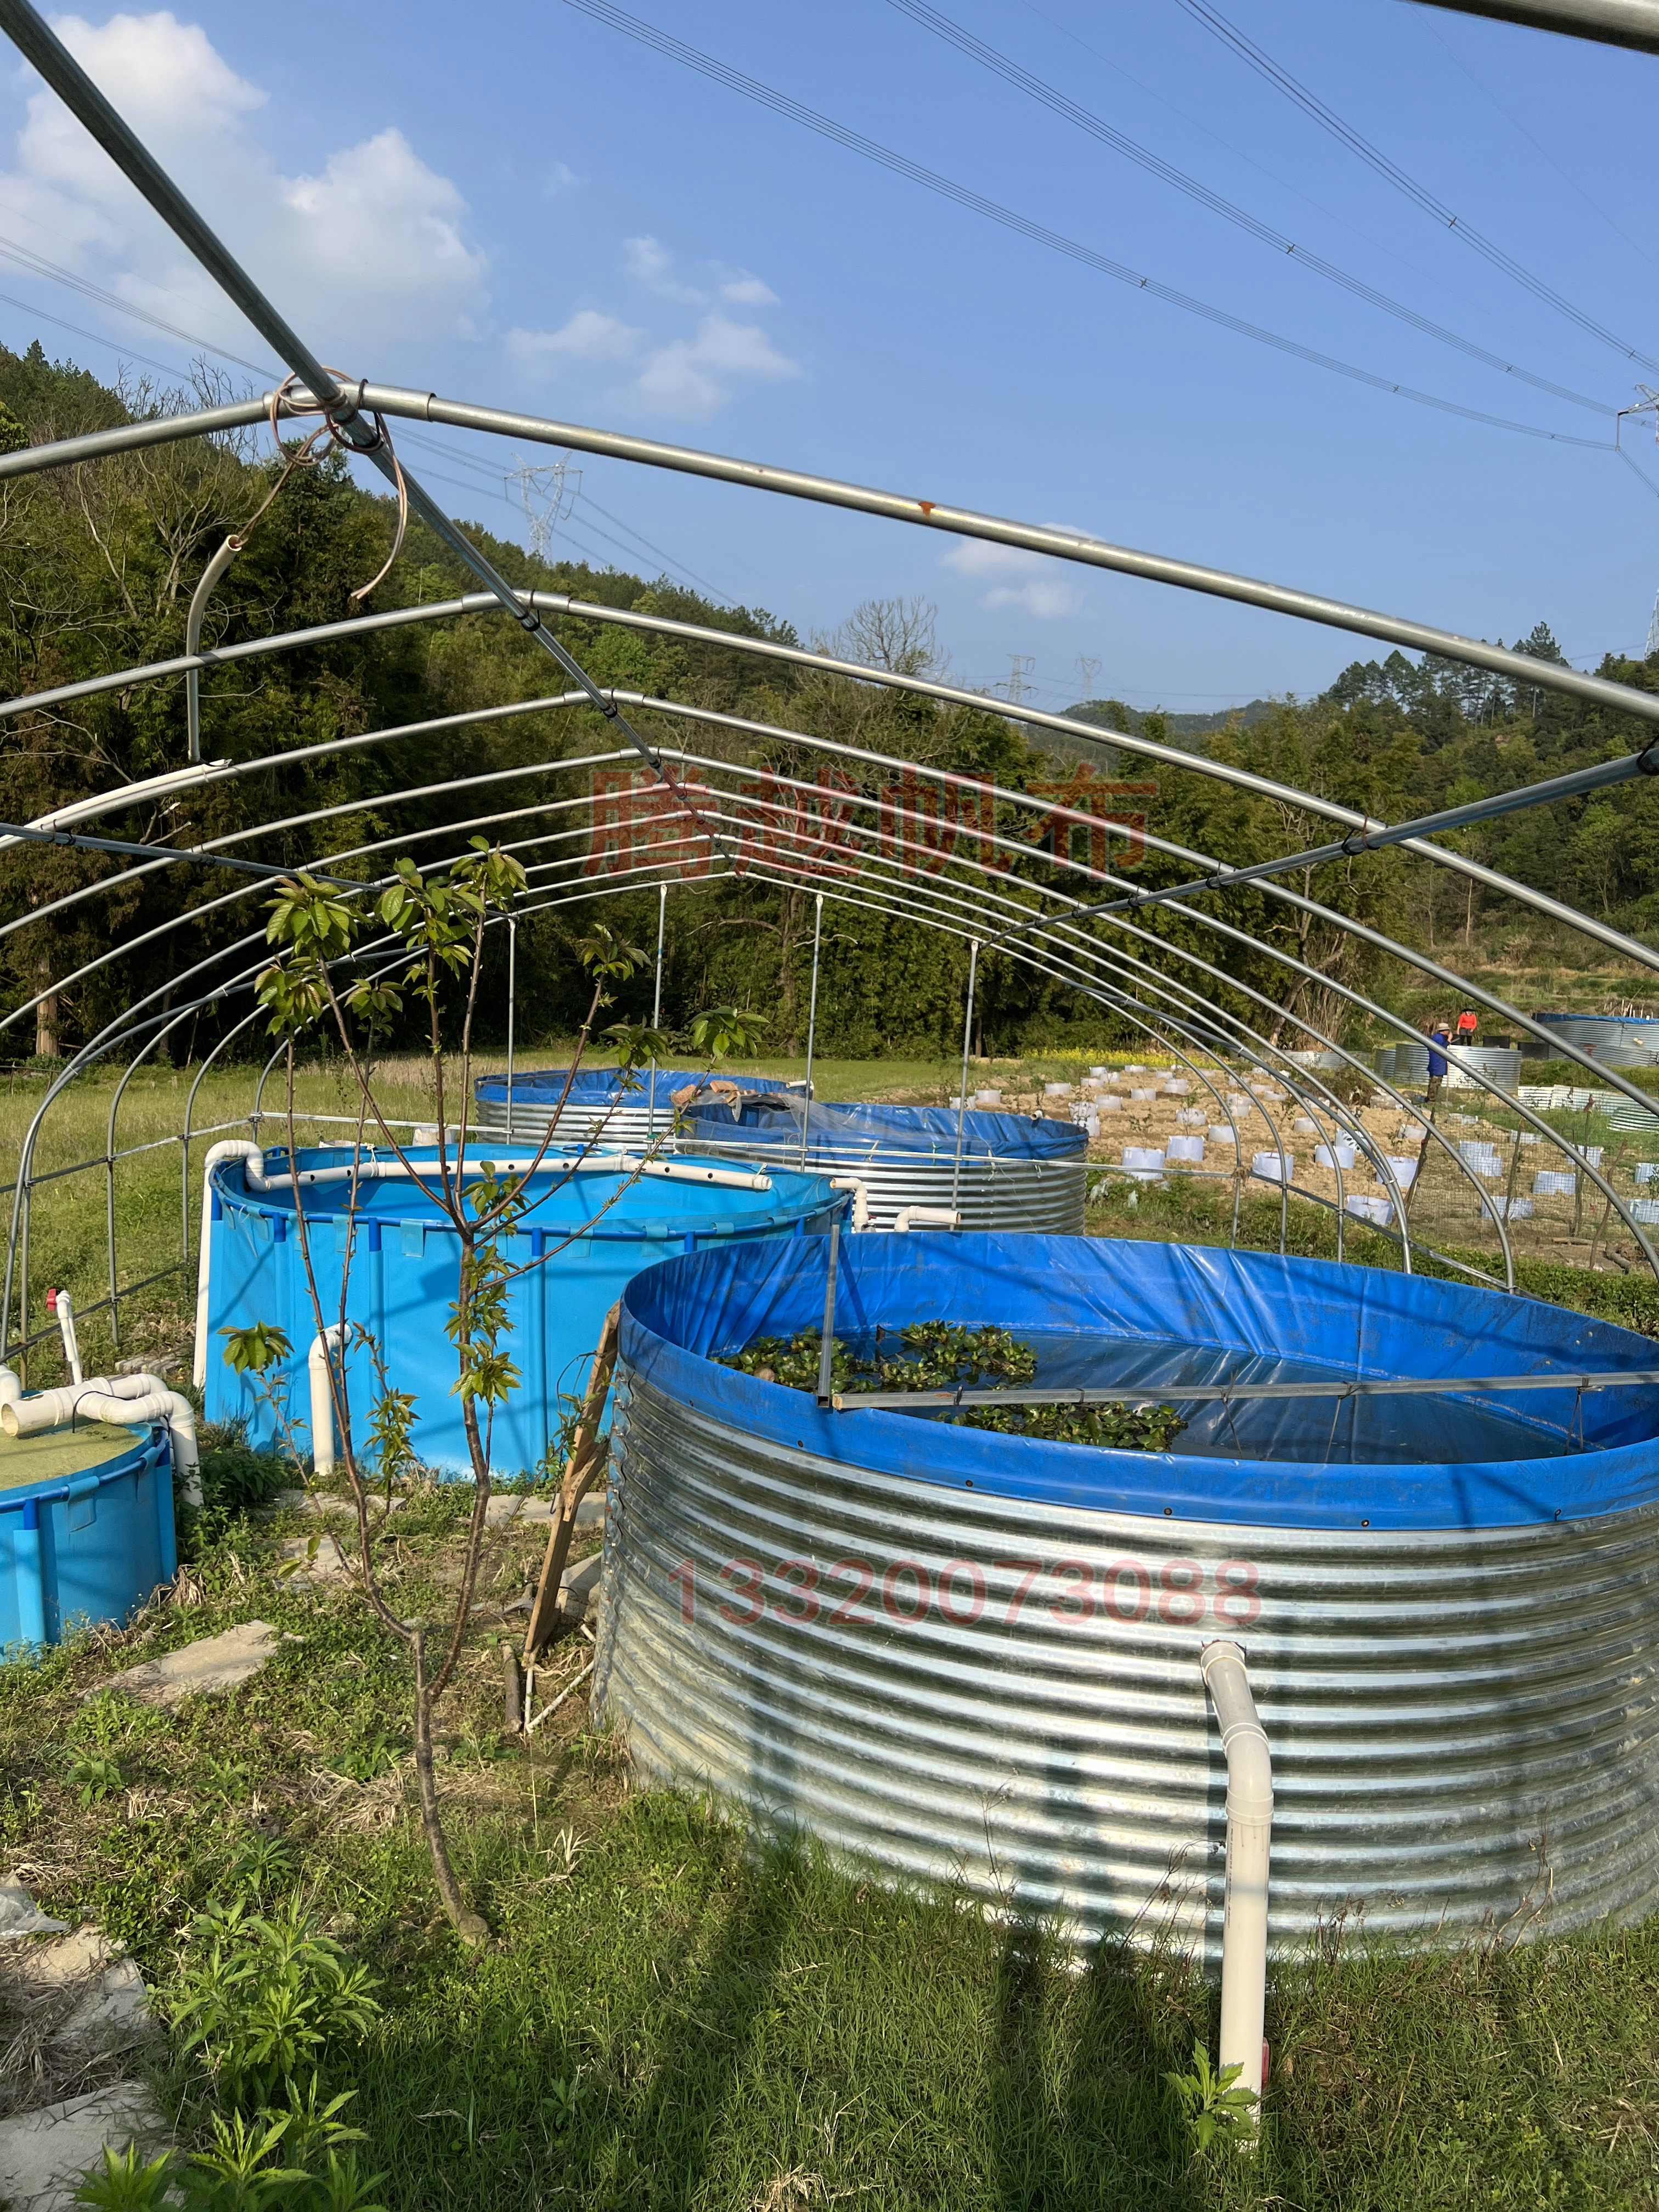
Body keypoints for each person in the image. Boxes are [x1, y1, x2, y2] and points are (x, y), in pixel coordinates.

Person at [1425, 1018, 1451, 1107]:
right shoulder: (1440, 1038)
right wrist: (1449, 1041)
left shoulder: (1435, 1037)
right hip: (1438, 1064)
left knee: (1432, 1082)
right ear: (1444, 1031)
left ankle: (1430, 1098)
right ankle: (1432, 1100)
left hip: (1435, 1064)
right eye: (1448, 1031)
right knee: (1435, 1083)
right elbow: (1442, 1049)